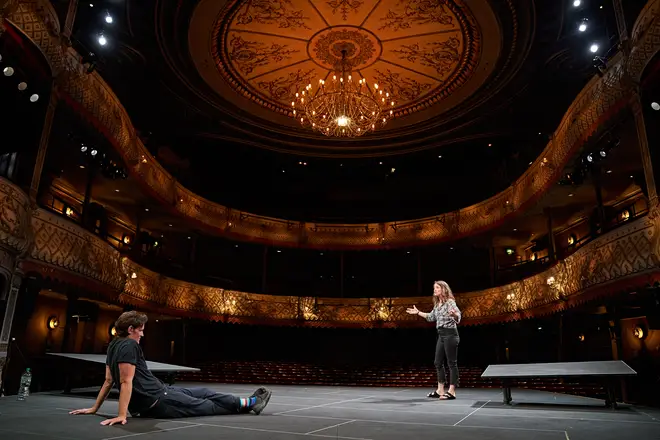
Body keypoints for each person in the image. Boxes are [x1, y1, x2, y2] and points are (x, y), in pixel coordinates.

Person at [70, 311, 272, 425]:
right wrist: (122, 415)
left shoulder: (113, 344)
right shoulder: (130, 346)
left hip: (161, 391)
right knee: (205, 405)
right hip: (158, 401)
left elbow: (108, 380)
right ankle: (252, 403)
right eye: (140, 331)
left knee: (204, 392)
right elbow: (125, 381)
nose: (142, 335)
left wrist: (95, 408)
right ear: (130, 330)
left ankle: (248, 402)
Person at [406, 280, 461, 400]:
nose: (434, 290)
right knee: (437, 362)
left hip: (450, 334)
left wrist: (454, 315)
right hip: (441, 334)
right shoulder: (438, 305)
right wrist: (418, 312)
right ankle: (440, 390)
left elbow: (458, 315)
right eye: (434, 288)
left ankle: (452, 391)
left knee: (452, 363)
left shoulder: (450, 302)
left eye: (437, 287)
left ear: (443, 289)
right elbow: (431, 317)